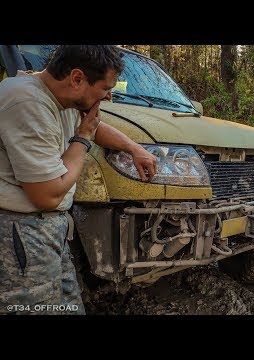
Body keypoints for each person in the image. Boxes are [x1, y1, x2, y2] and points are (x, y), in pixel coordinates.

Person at [0, 45, 157, 315]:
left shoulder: (62, 97)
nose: (108, 96)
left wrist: (134, 148)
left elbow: (95, 126)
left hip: (49, 229)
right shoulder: (26, 101)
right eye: (105, 88)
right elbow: (47, 195)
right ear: (76, 78)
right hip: (22, 231)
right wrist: (82, 139)